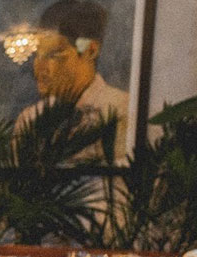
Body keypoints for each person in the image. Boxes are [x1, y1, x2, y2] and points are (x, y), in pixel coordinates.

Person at [14, 0, 129, 161]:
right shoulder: (30, 119)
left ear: (90, 51)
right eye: (37, 55)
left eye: (54, 55)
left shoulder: (122, 111)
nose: (40, 67)